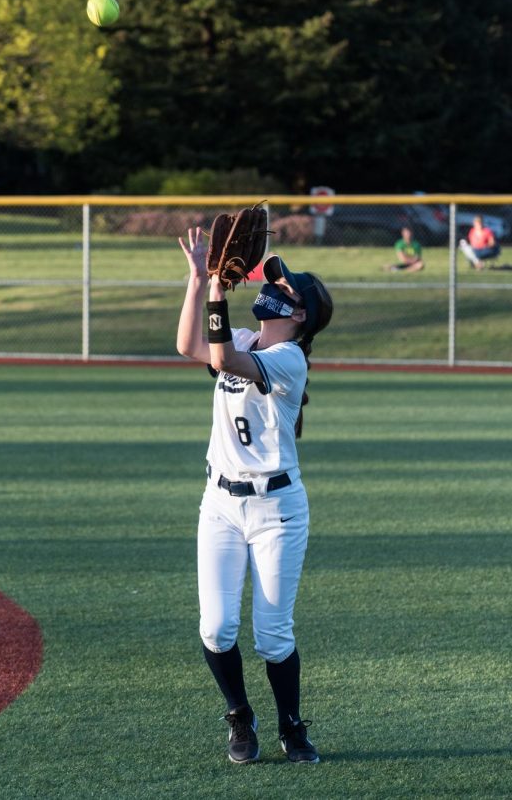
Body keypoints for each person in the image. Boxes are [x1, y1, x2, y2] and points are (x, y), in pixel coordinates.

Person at [176, 226, 333, 765]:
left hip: (277, 512)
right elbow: (190, 345)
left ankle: (292, 725)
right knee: (216, 628)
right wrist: (199, 282)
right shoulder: (242, 338)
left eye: (285, 290)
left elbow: (220, 360)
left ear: (299, 317)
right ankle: (240, 716)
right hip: (219, 504)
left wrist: (220, 290)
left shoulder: (290, 358)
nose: (272, 286)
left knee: (272, 634)